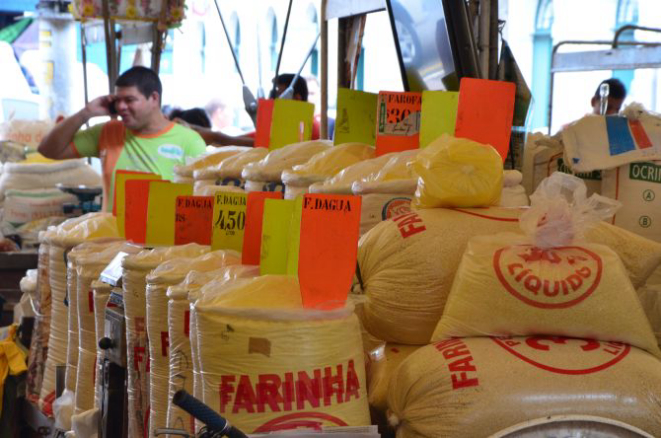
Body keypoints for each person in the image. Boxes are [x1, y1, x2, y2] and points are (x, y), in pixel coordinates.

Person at [37, 66, 206, 212]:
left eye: (129, 100)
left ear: (154, 98)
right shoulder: (107, 132)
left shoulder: (190, 142)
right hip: (110, 244)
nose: (121, 107)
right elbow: (48, 150)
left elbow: (201, 200)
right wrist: (86, 112)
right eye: (118, 100)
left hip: (163, 246)